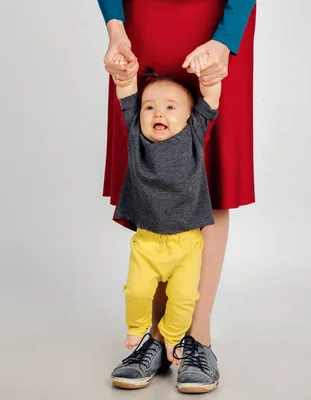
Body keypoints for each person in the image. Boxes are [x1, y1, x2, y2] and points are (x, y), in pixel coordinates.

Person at [97, 0, 257, 394]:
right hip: (141, 22)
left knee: (214, 175)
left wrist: (225, 39)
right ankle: (154, 337)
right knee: (145, 158)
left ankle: (196, 339)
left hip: (217, 23)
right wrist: (116, 29)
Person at [110, 54, 221, 392]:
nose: (159, 113)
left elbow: (211, 99)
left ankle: (173, 339)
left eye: (171, 108)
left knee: (185, 296)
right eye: (150, 108)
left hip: (187, 243)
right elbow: (126, 91)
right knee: (137, 290)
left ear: (189, 118)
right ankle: (139, 329)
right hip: (147, 242)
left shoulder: (194, 134)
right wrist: (124, 73)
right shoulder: (135, 136)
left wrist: (208, 78)